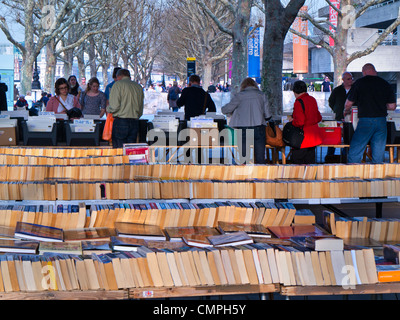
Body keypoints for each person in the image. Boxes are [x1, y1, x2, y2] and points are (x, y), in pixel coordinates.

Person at [344, 63, 397, 164]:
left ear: (363, 72)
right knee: (378, 153)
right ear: (375, 71)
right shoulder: (385, 84)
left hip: (365, 121)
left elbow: (348, 104)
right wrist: (380, 105)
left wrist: (345, 111)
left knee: (356, 150)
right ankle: (376, 177)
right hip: (381, 121)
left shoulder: (359, 83)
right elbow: (392, 106)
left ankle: (353, 175)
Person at [221, 77, 271, 164]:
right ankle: (261, 175)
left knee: (244, 157)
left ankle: (245, 175)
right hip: (259, 127)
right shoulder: (262, 95)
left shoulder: (239, 96)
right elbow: (268, 115)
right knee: (260, 157)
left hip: (243, 128)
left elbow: (226, 109)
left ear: (243, 86)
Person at [107, 69, 144, 148]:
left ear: (118, 76)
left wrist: (108, 109)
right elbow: (141, 107)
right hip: (134, 121)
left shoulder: (118, 85)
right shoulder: (138, 86)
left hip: (121, 121)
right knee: (130, 150)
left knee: (119, 149)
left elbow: (114, 106)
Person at [290, 80, 323, 164]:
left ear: (294, 91)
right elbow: (319, 117)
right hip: (314, 137)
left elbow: (300, 122)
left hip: (302, 139)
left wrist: (292, 121)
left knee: (297, 165)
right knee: (310, 165)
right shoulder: (312, 99)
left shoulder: (298, 102)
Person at [326, 71, 353, 161]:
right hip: (338, 118)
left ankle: (345, 157)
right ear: (343, 80)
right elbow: (331, 102)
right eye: (348, 79)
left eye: (351, 78)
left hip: (350, 119)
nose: (350, 80)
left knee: (347, 139)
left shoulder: (355, 90)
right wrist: (337, 110)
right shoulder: (337, 90)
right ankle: (329, 157)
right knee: (333, 138)